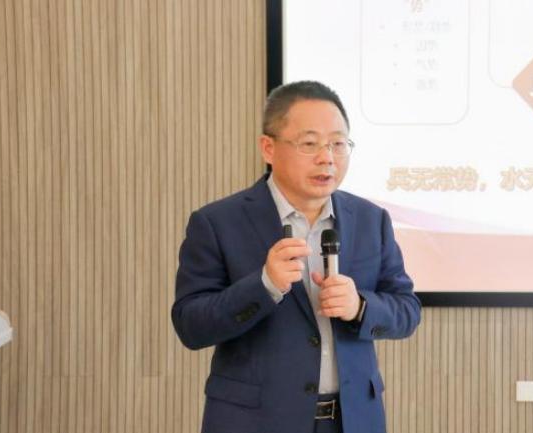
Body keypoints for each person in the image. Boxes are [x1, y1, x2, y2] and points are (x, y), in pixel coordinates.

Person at [171, 81, 421, 433]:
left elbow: (407, 310)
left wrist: (360, 307)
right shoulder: (217, 222)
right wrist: (264, 286)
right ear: (268, 148)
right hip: (255, 422)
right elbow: (191, 326)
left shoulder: (370, 220)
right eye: (309, 144)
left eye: (338, 143)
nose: (327, 157)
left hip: (352, 421)